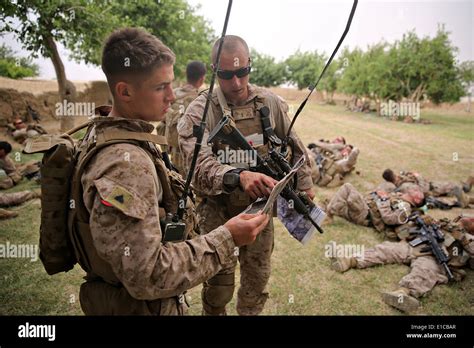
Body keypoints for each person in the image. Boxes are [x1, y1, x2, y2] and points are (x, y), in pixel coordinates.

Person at [75, 28, 269, 316]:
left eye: (170, 84)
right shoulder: (124, 165)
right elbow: (149, 273)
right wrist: (228, 237)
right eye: (160, 87)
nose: (170, 96)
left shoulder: (124, 139)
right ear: (124, 91)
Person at [178, 35, 314, 315]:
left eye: (242, 72)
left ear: (250, 65)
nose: (237, 83)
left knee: (256, 282)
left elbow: (296, 148)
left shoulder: (269, 103)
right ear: (214, 71)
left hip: (259, 214)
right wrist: (238, 176)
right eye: (227, 75)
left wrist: (305, 186)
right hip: (217, 213)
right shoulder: (200, 112)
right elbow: (195, 165)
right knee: (219, 287)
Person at [330, 215, 474, 312]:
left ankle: (401, 295)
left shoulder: (467, 238)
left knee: (423, 271)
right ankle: (348, 261)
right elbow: (412, 226)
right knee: (386, 249)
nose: (471, 218)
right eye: (469, 217)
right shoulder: (444, 223)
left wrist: (462, 238)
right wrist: (425, 221)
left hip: (434, 259)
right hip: (415, 247)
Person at [324, 182, 424, 239]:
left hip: (366, 215)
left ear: (417, 200)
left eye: (418, 192)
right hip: (363, 206)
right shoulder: (399, 196)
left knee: (347, 187)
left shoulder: (405, 208)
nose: (416, 189)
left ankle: (329, 216)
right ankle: (328, 210)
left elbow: (389, 219)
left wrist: (384, 199)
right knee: (331, 200)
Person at [163, 61, 206, 176]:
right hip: (192, 153)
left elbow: (163, 122)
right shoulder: (200, 100)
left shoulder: (173, 95)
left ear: (186, 75)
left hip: (173, 151)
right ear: (202, 79)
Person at [382, 169, 474, 209]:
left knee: (454, 187)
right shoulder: (405, 186)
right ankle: (467, 199)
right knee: (455, 188)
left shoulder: (401, 182)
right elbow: (423, 190)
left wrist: (409, 174)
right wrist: (418, 176)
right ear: (394, 177)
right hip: (432, 189)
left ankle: (467, 187)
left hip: (432, 187)